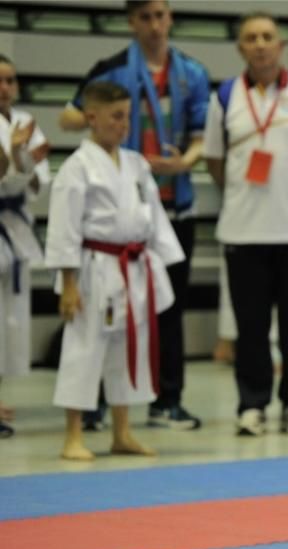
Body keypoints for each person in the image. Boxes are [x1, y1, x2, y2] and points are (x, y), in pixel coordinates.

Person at [59, 0, 210, 430]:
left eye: (161, 16)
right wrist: (91, 115)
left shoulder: (192, 73)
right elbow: (69, 115)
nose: (155, 25)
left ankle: (168, 400)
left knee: (167, 310)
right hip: (111, 224)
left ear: (171, 19)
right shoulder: (110, 69)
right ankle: (95, 406)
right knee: (101, 324)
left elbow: (201, 137)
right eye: (146, 17)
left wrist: (185, 163)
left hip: (170, 203)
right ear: (132, 22)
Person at [203, 12, 288, 437]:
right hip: (243, 231)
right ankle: (252, 403)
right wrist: (245, 194)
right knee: (251, 327)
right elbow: (214, 160)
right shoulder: (225, 96)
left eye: (267, 37)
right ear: (241, 48)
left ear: (280, 46)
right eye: (251, 38)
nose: (260, 44)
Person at [47, 81, 184, 461]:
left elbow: (152, 217)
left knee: (130, 350)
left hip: (134, 267)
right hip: (93, 268)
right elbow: (64, 227)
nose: (123, 124)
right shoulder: (77, 167)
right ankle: (73, 435)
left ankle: (122, 432)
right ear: (91, 117)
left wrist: (161, 262)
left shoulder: (136, 163)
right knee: (83, 348)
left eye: (127, 116)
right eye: (116, 116)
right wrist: (68, 283)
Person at [0, 54, 51, 437]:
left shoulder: (27, 125)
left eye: (10, 80)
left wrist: (21, 158)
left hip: (14, 229)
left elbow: (35, 185)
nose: (4, 88)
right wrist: (14, 158)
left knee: (8, 322)